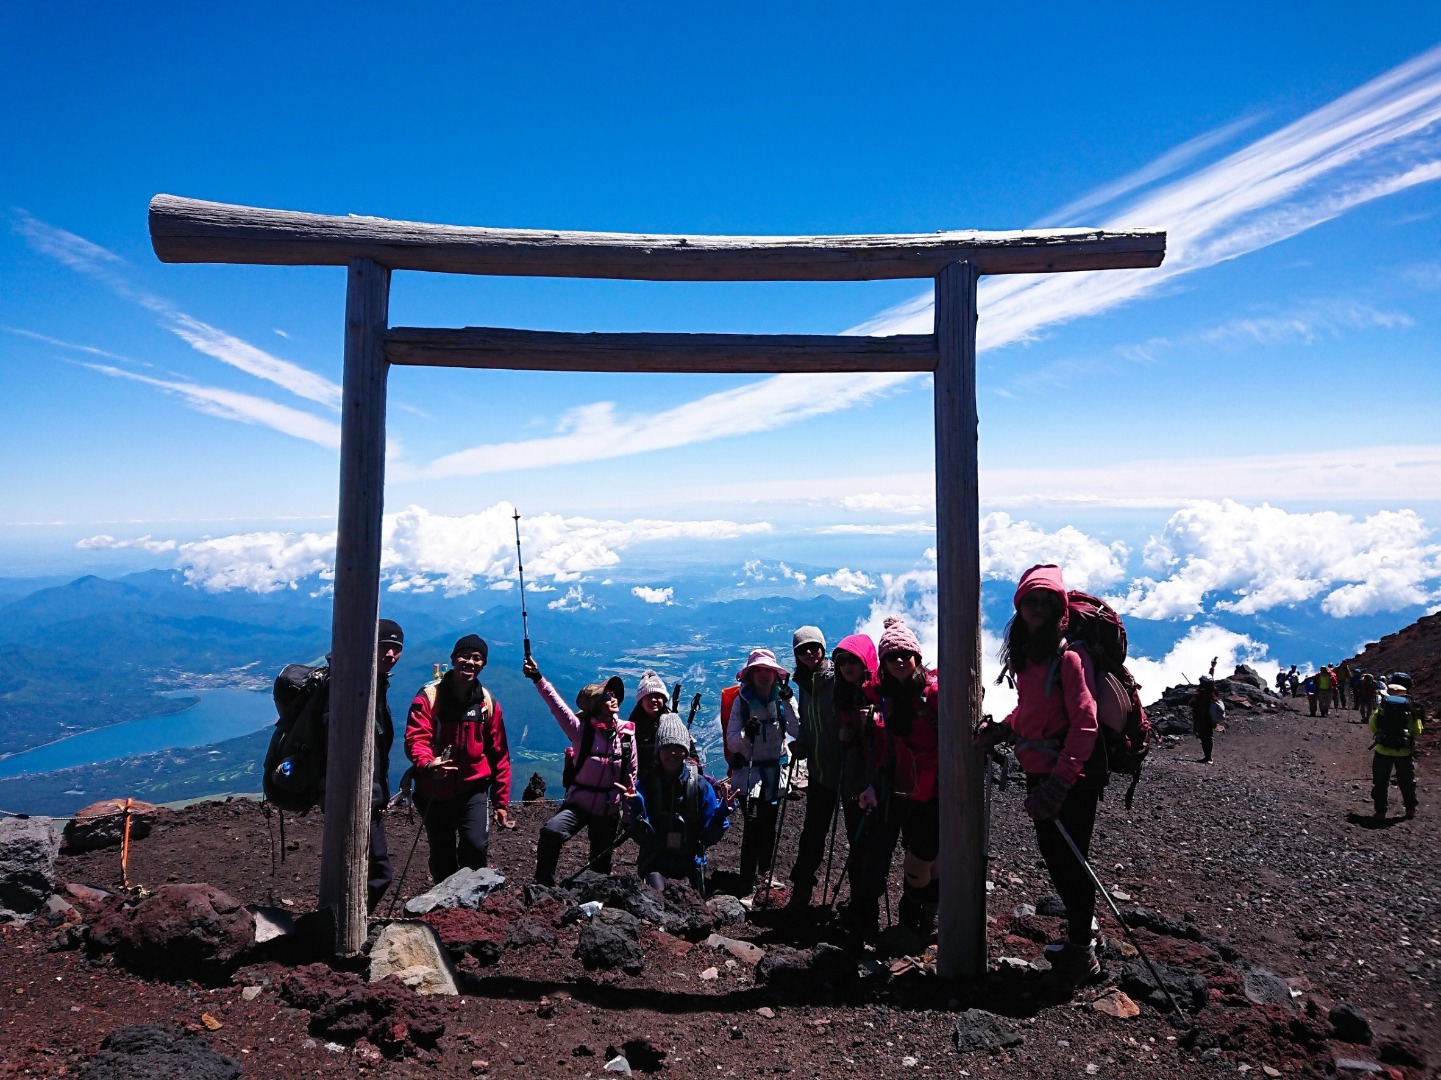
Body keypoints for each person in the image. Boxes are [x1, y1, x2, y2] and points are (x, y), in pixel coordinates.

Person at [978, 564, 1104, 986]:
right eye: (1030, 599)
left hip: (1069, 778)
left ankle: (1082, 953)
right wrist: (1004, 729)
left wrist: (1059, 784)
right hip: (1044, 772)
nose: (1037, 606)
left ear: (1059, 606)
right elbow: (1034, 711)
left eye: (1046, 600)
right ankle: (1082, 936)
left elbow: (1086, 724)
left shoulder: (1068, 657)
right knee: (1058, 858)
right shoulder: (1029, 653)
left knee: (1071, 861)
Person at [858, 616, 941, 943]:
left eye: (905, 654)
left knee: (923, 860)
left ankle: (917, 920)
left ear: (917, 657)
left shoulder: (932, 694)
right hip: (904, 787)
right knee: (926, 858)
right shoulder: (886, 695)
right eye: (891, 657)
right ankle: (921, 921)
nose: (899, 661)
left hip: (932, 790)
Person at [404, 634, 512, 884]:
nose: (470, 662)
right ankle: (446, 910)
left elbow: (500, 754)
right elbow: (416, 738)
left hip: (472, 789)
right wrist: (428, 764)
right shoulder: (430, 697)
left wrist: (501, 801)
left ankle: (471, 903)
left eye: (477, 658)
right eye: (465, 656)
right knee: (442, 855)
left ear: (483, 664)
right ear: (453, 659)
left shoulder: (487, 703)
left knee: (475, 847)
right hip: (434, 789)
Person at [787, 629, 880, 917]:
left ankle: (862, 903)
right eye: (803, 650)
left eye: (814, 648)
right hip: (820, 773)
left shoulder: (837, 679)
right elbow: (806, 720)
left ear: (823, 649)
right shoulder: (804, 682)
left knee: (857, 839)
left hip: (848, 773)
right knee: (812, 835)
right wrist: (802, 741)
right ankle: (801, 892)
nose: (809, 653)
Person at [524, 653, 637, 885]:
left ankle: (594, 902)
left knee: (600, 866)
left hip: (609, 808)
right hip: (579, 804)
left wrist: (628, 811)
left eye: (614, 695)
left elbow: (631, 775)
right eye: (607, 696)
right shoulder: (581, 731)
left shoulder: (626, 735)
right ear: (596, 704)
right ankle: (543, 885)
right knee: (551, 832)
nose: (614, 699)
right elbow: (556, 706)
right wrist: (537, 677)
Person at [628, 714, 730, 894]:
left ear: (685, 750)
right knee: (658, 898)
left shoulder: (700, 786)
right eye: (666, 746)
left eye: (678, 747)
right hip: (655, 862)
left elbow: (708, 837)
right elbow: (642, 837)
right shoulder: (646, 785)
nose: (672, 752)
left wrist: (720, 816)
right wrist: (637, 810)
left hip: (689, 863)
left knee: (683, 897)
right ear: (658, 750)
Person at [725, 648, 799, 894]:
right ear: (751, 674)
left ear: (775, 674)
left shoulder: (783, 698)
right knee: (753, 826)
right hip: (750, 775)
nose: (764, 674)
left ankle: (764, 874)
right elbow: (733, 741)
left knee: (768, 827)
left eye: (768, 670)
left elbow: (797, 730)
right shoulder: (742, 702)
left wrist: (788, 702)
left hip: (775, 774)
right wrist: (748, 733)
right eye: (759, 670)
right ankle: (747, 881)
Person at [1369, 674, 1423, 821]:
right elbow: (1417, 730)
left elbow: (1372, 723)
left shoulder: (1383, 705)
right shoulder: (1410, 706)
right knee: (1407, 781)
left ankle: (1380, 812)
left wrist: (1381, 735)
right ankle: (1410, 810)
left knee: (1380, 782)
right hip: (1404, 751)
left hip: (1382, 750)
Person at [629, 670, 687, 786]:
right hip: (641, 782)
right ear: (641, 701)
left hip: (670, 780)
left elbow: (688, 748)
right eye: (649, 696)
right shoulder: (631, 728)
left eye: (658, 696)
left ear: (664, 700)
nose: (654, 700)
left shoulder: (673, 723)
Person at [1191, 675, 1222, 764]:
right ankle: (1207, 757)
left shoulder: (1203, 693)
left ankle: (1208, 757)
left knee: (1205, 738)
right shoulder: (1212, 691)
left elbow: (1194, 703)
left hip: (1203, 718)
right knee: (1207, 737)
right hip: (1207, 718)